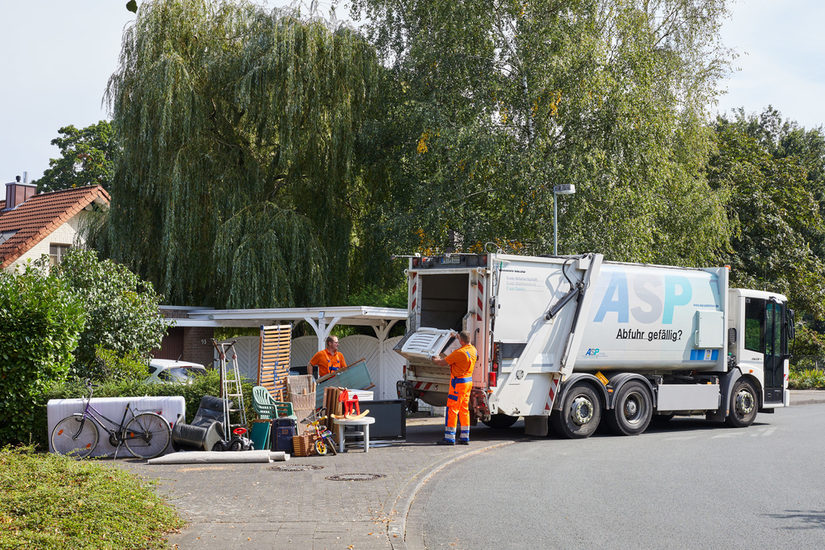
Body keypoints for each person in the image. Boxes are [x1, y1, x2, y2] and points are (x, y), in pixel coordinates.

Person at [431, 330, 477, 445]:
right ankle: (464, 437)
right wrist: (456, 336)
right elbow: (463, 339)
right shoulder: (473, 350)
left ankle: (449, 438)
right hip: (468, 383)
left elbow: (441, 362)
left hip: (458, 384)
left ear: (461, 341)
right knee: (464, 410)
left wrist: (434, 358)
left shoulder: (459, 353)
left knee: (452, 409)